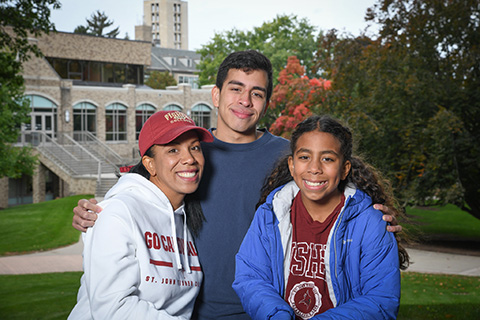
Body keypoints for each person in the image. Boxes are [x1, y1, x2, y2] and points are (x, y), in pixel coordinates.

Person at [72, 50, 403, 319]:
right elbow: (136, 195)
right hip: (189, 309)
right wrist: (92, 214)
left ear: (265, 102)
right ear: (216, 94)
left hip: (267, 308)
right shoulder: (189, 155)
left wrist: (373, 214)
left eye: (256, 93)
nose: (245, 101)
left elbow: (326, 186)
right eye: (236, 89)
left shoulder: (286, 156)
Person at [233, 115, 409, 319]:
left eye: (327, 159)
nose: (314, 168)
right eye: (304, 157)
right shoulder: (270, 214)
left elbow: (380, 300)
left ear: (344, 169)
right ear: (292, 165)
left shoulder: (370, 223)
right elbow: (251, 278)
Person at [68, 110, 213, 319]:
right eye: (173, 150)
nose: (189, 158)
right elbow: (113, 309)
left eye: (195, 147)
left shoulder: (184, 218)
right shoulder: (119, 212)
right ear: (150, 164)